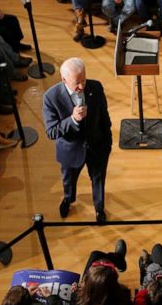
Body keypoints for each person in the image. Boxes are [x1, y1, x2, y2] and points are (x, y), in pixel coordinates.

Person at [43, 58, 112, 222]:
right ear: (63, 80)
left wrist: (107, 142)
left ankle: (99, 208)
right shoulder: (50, 97)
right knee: (69, 180)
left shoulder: (95, 87)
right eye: (77, 82)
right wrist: (72, 119)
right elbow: (51, 131)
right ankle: (68, 199)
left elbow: (104, 116)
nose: (81, 86)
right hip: (70, 151)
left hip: (97, 146)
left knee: (99, 179)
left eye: (84, 80)